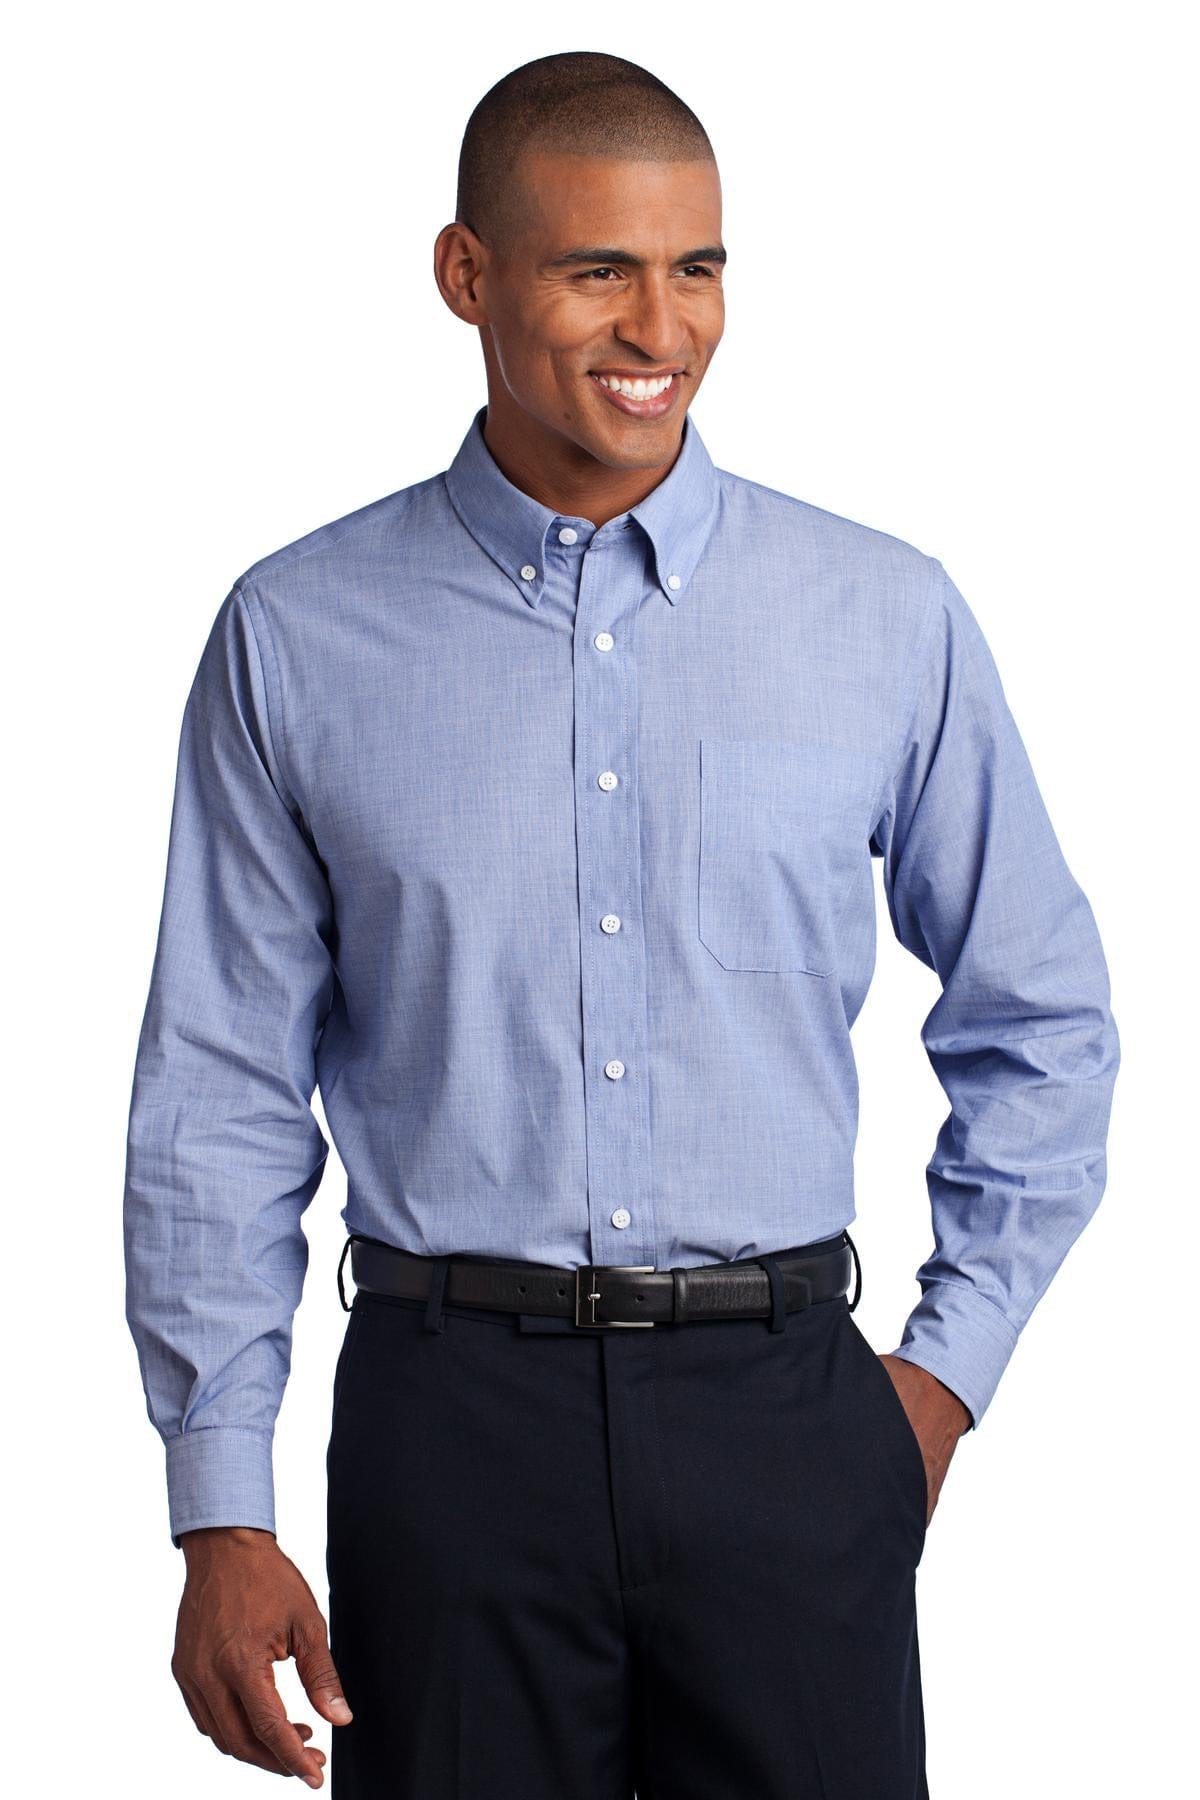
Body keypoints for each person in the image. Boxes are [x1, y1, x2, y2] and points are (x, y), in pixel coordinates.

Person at [122, 49, 1121, 1800]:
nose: (661, 327)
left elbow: (1042, 1020)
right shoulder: (299, 634)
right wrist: (222, 1505)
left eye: (698, 267)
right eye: (600, 270)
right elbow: (220, 1089)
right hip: (450, 1432)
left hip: (790, 1418)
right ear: (468, 275)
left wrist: (938, 1381)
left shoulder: (881, 616)